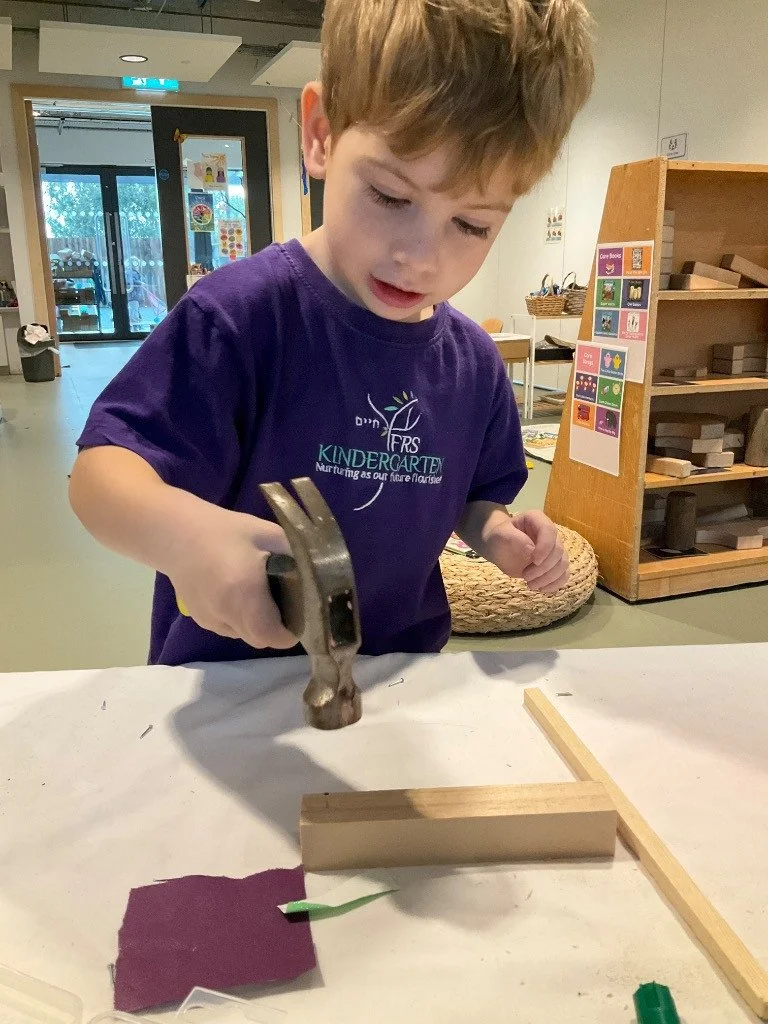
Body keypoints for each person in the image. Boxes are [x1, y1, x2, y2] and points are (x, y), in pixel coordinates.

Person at [69, 0, 594, 666]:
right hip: (233, 687)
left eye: (472, 226)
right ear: (320, 134)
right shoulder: (238, 319)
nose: (420, 259)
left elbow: (471, 499)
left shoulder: (474, 368)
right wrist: (187, 537)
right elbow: (97, 479)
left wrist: (496, 532)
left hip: (401, 676)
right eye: (390, 196)